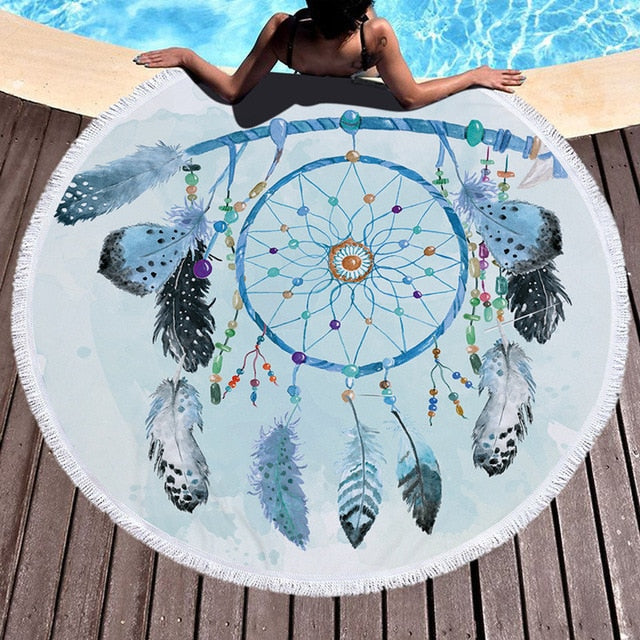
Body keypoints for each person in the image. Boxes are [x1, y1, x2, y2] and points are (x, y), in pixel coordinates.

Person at [134, 0, 525, 110]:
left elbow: (233, 91)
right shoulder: (376, 34)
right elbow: (411, 97)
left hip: (307, 59)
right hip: (359, 67)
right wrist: (473, 75)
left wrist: (187, 56)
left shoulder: (282, 31)